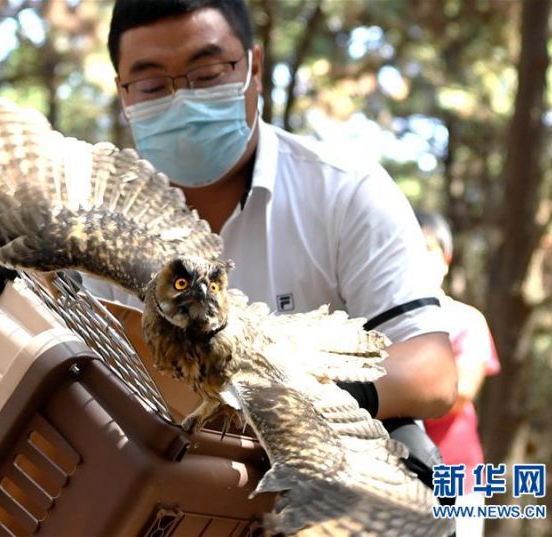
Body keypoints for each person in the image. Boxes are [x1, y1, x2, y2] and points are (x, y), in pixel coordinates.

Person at [92, 0, 456, 422]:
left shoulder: (344, 191)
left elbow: (431, 370)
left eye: (208, 74)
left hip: (331, 447)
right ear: (123, 92)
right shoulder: (98, 224)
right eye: (153, 85)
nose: (183, 102)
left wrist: (305, 403)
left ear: (255, 68)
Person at [418, 211, 501, 537]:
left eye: (426, 248)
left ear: (446, 259)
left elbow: (459, 393)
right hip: (387, 477)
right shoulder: (372, 321)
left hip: (457, 476)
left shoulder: (467, 321)